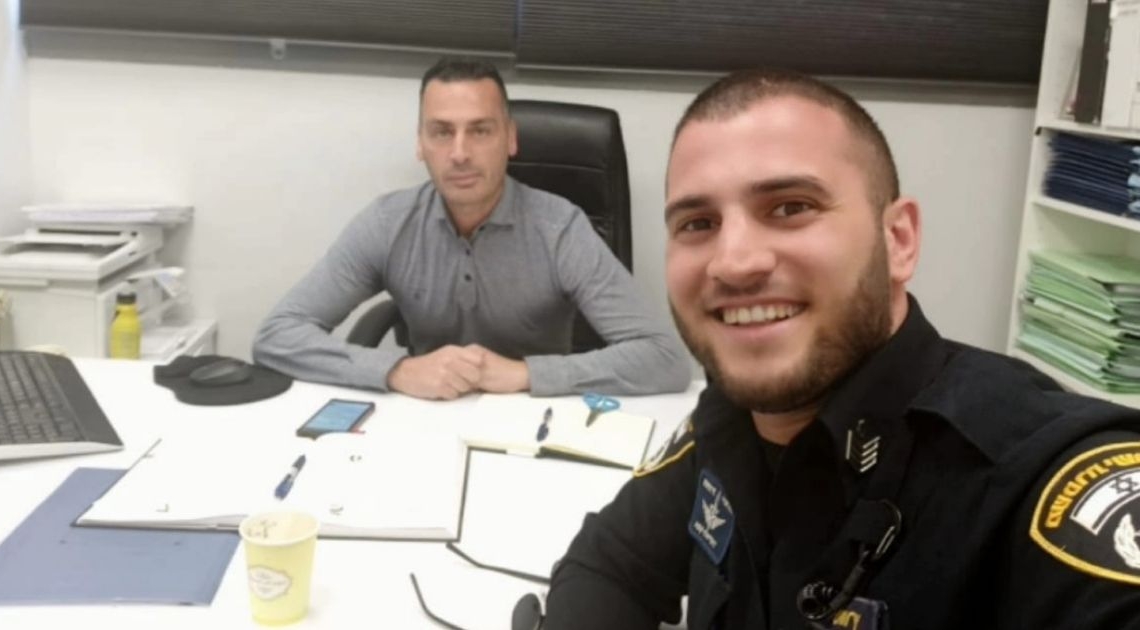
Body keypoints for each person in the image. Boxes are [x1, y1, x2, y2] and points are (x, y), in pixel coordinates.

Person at [542, 68, 1140, 629]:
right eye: (698, 223)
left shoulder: (1039, 478)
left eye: (791, 208)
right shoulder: (730, 419)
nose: (734, 262)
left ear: (898, 241)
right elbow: (607, 565)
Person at [252, 57, 690, 400]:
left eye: (480, 131)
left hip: (533, 419)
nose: (460, 153)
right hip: (426, 416)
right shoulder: (387, 224)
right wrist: (396, 370)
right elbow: (277, 337)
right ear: (420, 143)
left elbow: (664, 359)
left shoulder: (561, 228)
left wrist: (524, 374)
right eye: (442, 132)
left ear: (510, 139)